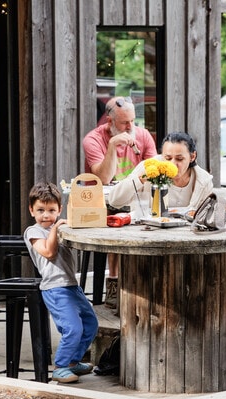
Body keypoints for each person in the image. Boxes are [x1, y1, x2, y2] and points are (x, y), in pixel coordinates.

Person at [83, 96, 158, 308]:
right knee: (116, 218)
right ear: (110, 121)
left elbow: (153, 168)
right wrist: (112, 147)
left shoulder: (142, 136)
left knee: (149, 220)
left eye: (133, 121)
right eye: (125, 122)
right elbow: (104, 178)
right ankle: (114, 284)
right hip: (101, 201)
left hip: (135, 198)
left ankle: (139, 287)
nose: (130, 126)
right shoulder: (93, 139)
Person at [24, 182, 99, 384]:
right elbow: (49, 252)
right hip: (55, 288)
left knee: (91, 324)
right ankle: (60, 366)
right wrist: (56, 228)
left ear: (59, 210)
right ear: (32, 210)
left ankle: (73, 362)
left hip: (71, 285)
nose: (46, 215)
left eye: (51, 210)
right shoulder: (33, 232)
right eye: (40, 210)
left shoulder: (59, 228)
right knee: (72, 328)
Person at [108, 131, 214, 217]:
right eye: (167, 158)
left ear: (192, 157)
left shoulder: (203, 181)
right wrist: (140, 179)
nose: (173, 163)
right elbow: (114, 201)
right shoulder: (148, 167)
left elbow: (206, 215)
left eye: (179, 159)